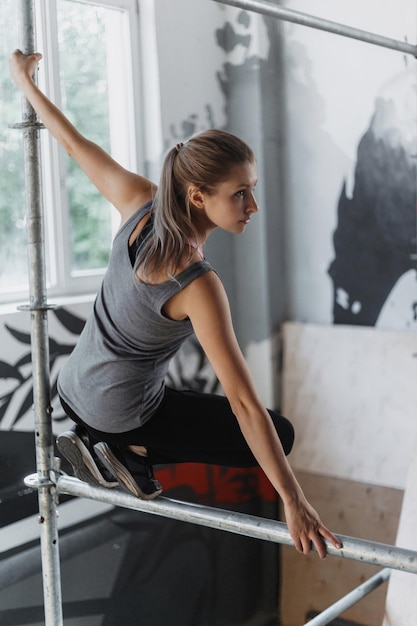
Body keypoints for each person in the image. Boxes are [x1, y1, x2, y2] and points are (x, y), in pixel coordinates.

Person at [10, 49, 342, 559]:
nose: (252, 206)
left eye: (252, 190)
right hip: (118, 413)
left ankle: (121, 447)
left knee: (172, 393)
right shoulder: (197, 283)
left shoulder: (138, 202)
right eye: (239, 194)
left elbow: (76, 147)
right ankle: (127, 450)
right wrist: (294, 501)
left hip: (73, 388)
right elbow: (245, 405)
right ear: (197, 195)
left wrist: (24, 83)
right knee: (281, 431)